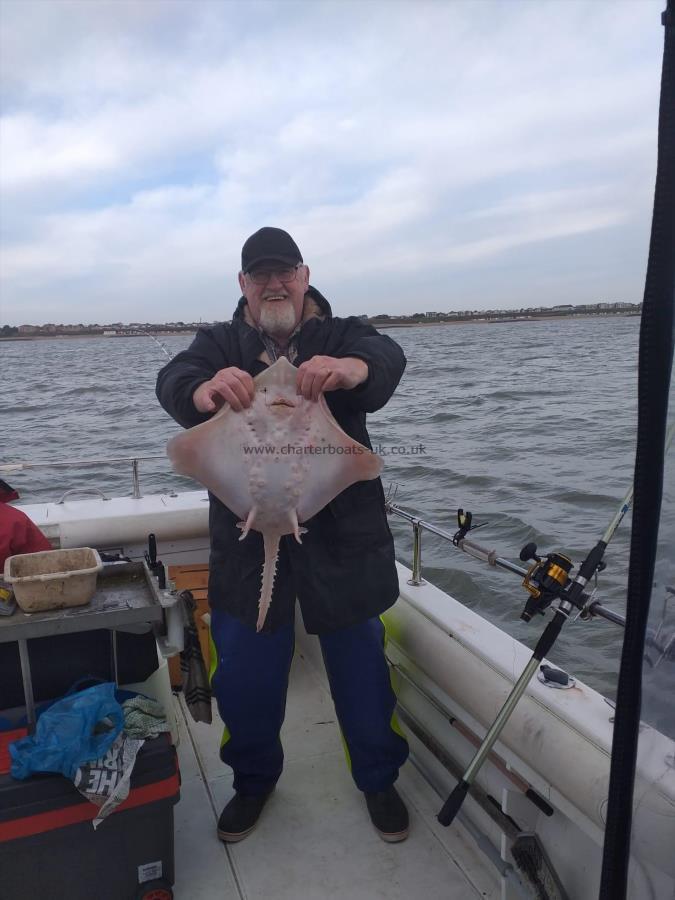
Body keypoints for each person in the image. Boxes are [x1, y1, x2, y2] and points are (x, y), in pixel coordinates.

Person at [156, 227, 410, 843]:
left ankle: (378, 778)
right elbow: (174, 379)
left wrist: (348, 369)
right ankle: (252, 781)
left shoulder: (341, 332)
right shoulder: (219, 342)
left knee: (361, 669)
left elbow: (385, 359)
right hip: (246, 538)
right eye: (259, 275)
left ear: (303, 276)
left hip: (342, 540)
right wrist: (205, 388)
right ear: (242, 285)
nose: (273, 284)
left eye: (284, 273)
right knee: (243, 673)